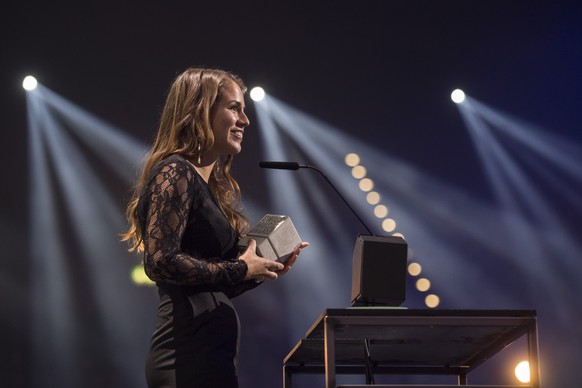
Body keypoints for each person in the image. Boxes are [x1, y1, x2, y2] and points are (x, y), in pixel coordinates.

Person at [122, 67, 308, 388]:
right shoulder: (175, 172)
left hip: (209, 354)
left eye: (244, 110)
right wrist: (240, 269)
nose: (245, 121)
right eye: (234, 108)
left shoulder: (203, 185)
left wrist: (258, 269)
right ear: (200, 110)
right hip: (186, 353)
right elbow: (160, 261)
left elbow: (212, 282)